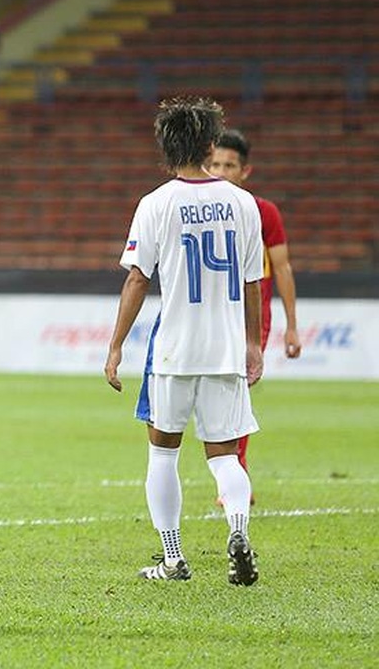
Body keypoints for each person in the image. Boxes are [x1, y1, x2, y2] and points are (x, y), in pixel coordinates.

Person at [103, 96, 264, 586]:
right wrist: (253, 343)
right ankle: (237, 528)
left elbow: (137, 280)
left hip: (173, 349)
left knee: (163, 453)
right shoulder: (243, 203)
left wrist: (115, 347)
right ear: (211, 144)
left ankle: (173, 558)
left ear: (166, 148)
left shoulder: (156, 203)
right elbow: (253, 280)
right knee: (223, 454)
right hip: (224, 348)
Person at [208, 129, 302, 482]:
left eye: (229, 165)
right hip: (207, 315)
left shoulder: (263, 213)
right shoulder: (197, 211)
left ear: (244, 171)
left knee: (236, 393)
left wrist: (291, 325)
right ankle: (226, 468)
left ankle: (235, 472)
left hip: (250, 319)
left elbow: (282, 268)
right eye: (215, 163)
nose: (220, 171)